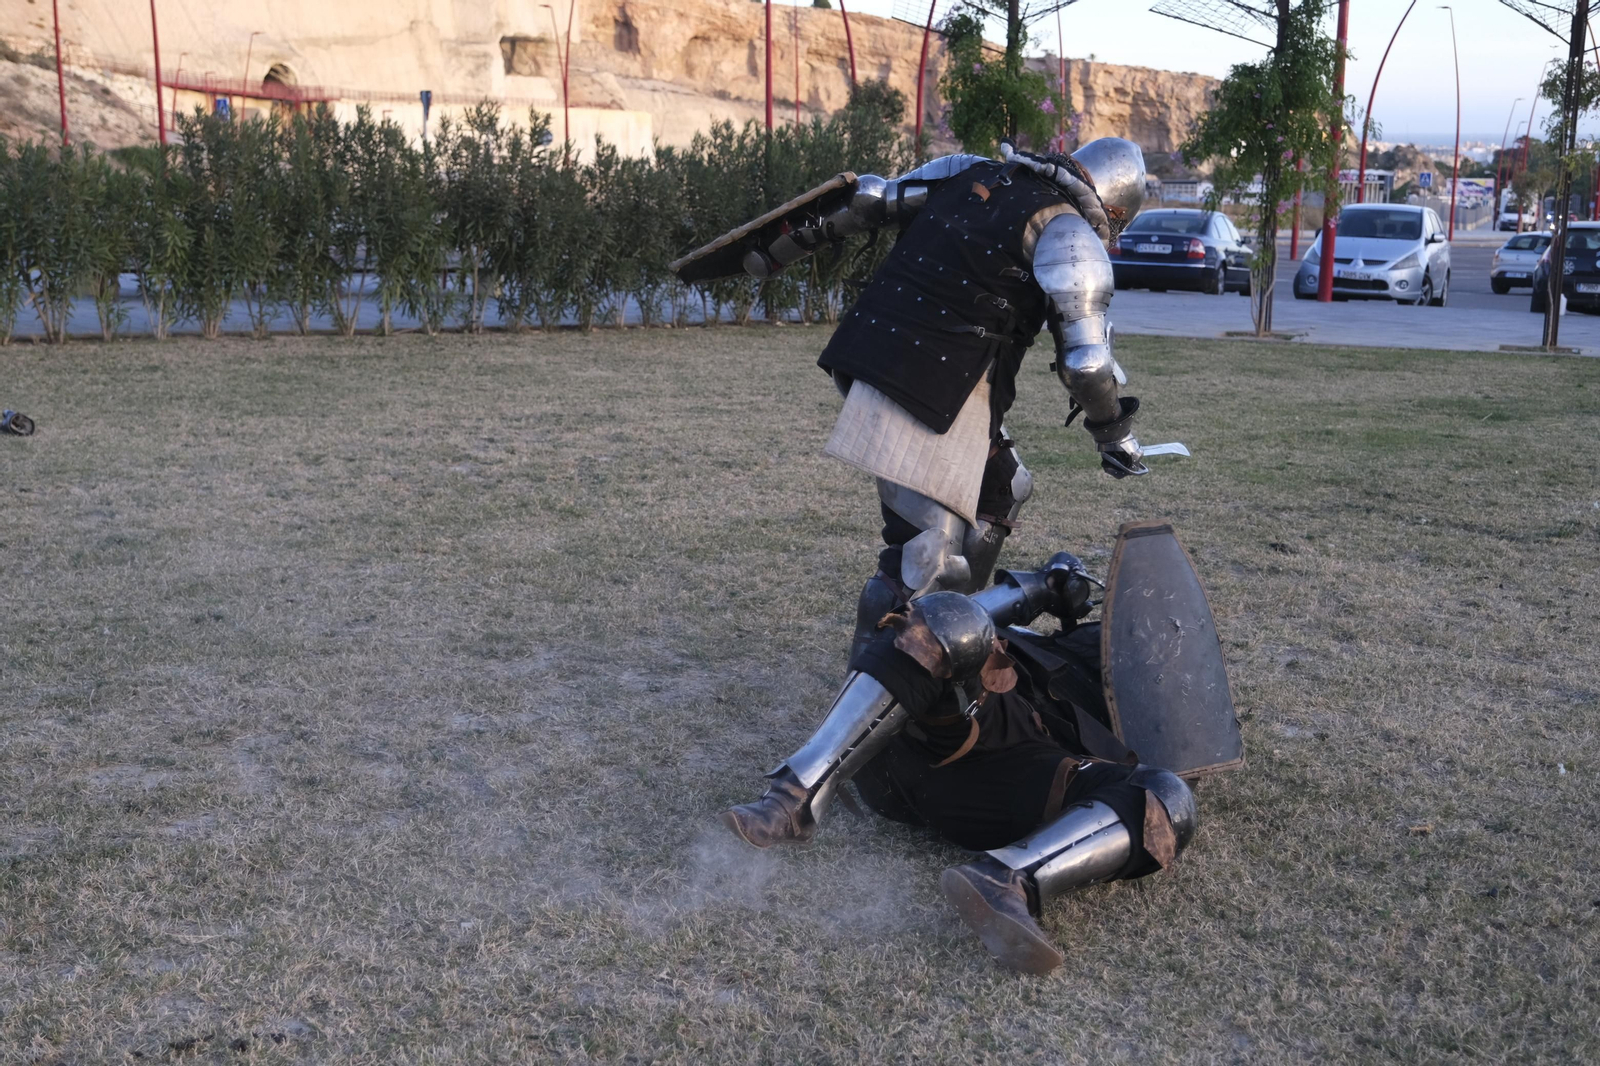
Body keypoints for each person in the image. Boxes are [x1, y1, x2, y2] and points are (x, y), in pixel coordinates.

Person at [732, 553, 1197, 975]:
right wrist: (1048, 584)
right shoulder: (1057, 642)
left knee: (1167, 800)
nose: (1151, 647)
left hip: (1015, 782)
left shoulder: (1135, 710)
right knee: (946, 623)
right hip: (932, 731)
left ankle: (1008, 881)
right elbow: (979, 608)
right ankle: (794, 797)